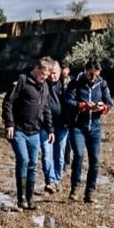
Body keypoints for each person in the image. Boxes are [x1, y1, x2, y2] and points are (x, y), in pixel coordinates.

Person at [1, 57, 55, 210]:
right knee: (23, 160)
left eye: (46, 77)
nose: (44, 78)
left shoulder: (44, 87)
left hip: (35, 132)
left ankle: (30, 198)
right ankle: (21, 198)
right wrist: (9, 123)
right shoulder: (22, 81)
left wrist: (50, 129)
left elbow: (46, 110)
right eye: (43, 75)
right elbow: (8, 102)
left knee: (33, 163)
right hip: (18, 130)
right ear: (37, 69)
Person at [66, 61, 113, 204]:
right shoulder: (75, 83)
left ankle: (90, 192)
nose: (93, 78)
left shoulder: (102, 84)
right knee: (79, 155)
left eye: (96, 75)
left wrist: (102, 108)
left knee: (95, 161)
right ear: (85, 70)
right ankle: (75, 188)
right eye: (90, 74)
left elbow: (109, 103)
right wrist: (83, 106)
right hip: (77, 126)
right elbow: (68, 101)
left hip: (95, 127)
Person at [41, 61, 71, 193]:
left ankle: (57, 179)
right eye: (51, 73)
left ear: (60, 72)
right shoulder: (42, 85)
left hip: (62, 125)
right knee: (47, 153)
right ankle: (50, 180)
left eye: (55, 73)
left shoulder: (66, 85)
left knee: (59, 155)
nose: (53, 76)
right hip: (45, 126)